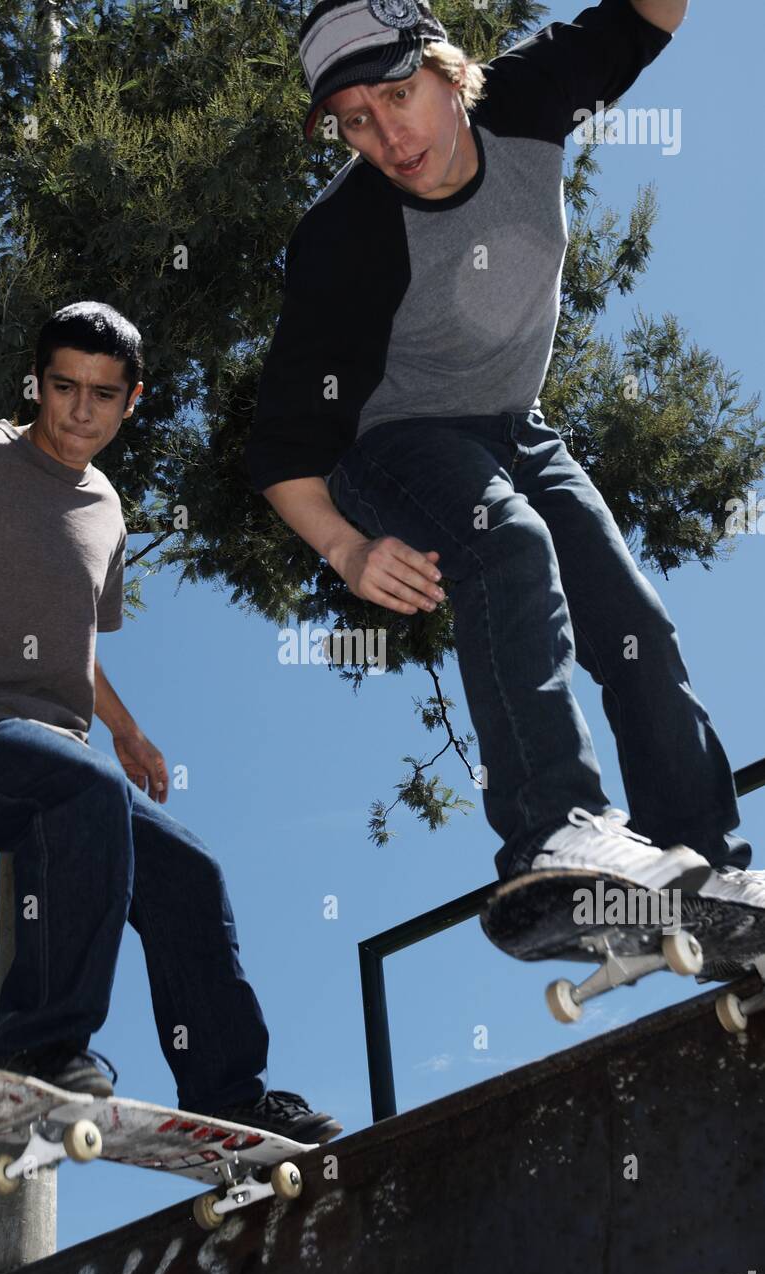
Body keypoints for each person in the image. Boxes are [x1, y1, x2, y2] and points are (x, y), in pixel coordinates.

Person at [245, 0, 765, 923]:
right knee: (509, 545)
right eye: (357, 120)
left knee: (633, 623)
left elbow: (652, 15)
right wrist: (347, 551)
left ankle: (704, 867)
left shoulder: (530, 91)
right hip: (397, 448)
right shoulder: (339, 238)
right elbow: (286, 444)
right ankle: (554, 833)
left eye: (401, 95)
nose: (389, 135)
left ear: (450, 73)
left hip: (517, 430)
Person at [0, 301, 340, 1142]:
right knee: (81, 788)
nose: (79, 411)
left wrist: (129, 733)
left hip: (53, 756)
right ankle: (34, 1048)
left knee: (187, 873)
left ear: (132, 401)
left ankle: (225, 1092)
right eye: (63, 387)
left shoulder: (104, 508)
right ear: (37, 384)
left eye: (102, 394)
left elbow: (75, 648)